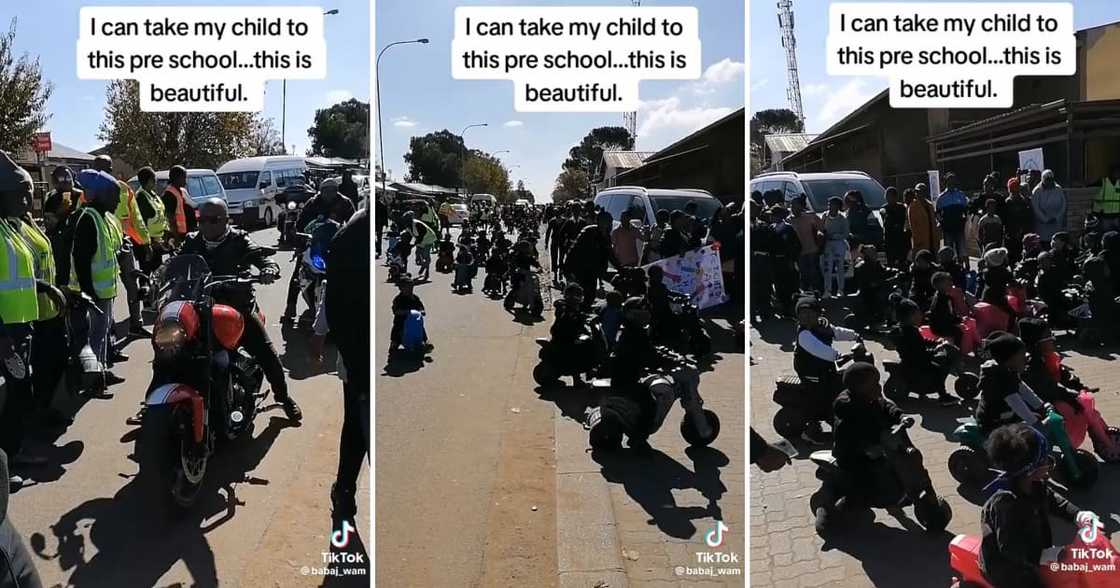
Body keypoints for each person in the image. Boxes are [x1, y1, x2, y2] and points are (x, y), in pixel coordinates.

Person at [180, 199, 302, 422]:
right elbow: (175, 264)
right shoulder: (191, 241)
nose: (206, 225)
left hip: (236, 308)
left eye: (213, 220)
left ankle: (284, 398)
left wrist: (269, 269)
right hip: (200, 309)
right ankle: (154, 400)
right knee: (169, 347)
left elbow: (260, 258)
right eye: (202, 220)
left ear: (227, 220)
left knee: (267, 355)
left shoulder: (239, 239)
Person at [0, 153, 60, 484]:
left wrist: (47, 290)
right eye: (21, 192)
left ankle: (12, 454)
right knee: (11, 398)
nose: (28, 198)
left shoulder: (9, 227)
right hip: (5, 333)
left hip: (20, 326)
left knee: (18, 396)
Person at [979, 423, 1087, 588]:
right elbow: (1010, 548)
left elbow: (1052, 499)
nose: (1049, 465)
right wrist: (1041, 555)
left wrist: (1077, 515)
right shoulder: (1006, 504)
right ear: (1031, 470)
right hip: (1008, 568)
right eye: (1045, 460)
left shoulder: (1034, 483)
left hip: (1033, 548)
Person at [816, 362, 908, 533]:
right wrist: (866, 447)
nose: (879, 387)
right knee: (862, 488)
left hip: (875, 447)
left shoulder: (870, 398)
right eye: (874, 384)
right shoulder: (848, 409)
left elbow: (885, 405)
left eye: (878, 382)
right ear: (859, 389)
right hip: (852, 456)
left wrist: (900, 415)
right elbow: (848, 437)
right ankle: (828, 515)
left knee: (896, 466)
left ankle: (894, 496)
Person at [325, 207, 369, 522]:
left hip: (355, 353)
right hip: (358, 353)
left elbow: (333, 303)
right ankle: (344, 491)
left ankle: (344, 491)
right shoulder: (348, 236)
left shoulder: (346, 236)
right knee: (358, 426)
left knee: (355, 425)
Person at [70, 169, 124, 389]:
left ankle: (101, 371)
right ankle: (92, 382)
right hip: (94, 293)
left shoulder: (102, 218)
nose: (118, 200)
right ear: (101, 195)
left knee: (101, 336)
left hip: (104, 292)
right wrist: (87, 292)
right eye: (114, 195)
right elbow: (81, 259)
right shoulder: (89, 219)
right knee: (94, 338)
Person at [93, 155, 149, 338]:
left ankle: (136, 324)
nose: (103, 173)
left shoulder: (124, 189)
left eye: (106, 169)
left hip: (124, 244)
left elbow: (136, 218)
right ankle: (110, 332)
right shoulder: (89, 192)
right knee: (107, 291)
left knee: (132, 285)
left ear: (111, 170)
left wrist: (145, 242)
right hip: (102, 248)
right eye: (98, 169)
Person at [794, 296, 860, 444]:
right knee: (823, 396)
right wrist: (838, 356)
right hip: (810, 371)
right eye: (802, 314)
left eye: (810, 313)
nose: (806, 317)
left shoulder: (822, 326)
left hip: (824, 367)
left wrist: (854, 336)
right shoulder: (804, 334)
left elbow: (836, 332)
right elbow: (818, 349)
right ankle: (811, 431)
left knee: (838, 384)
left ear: (818, 314)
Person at [975, 333, 1046, 433]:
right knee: (1019, 443)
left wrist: (1041, 406)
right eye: (1021, 355)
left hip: (1007, 416)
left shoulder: (1009, 371)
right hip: (994, 422)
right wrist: (1033, 421)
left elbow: (1023, 389)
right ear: (1009, 359)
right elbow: (1014, 401)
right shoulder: (999, 378)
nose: (1025, 358)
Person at [892, 298, 957, 405]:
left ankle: (924, 390)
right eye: (918, 314)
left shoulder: (906, 329)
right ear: (910, 316)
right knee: (938, 370)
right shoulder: (910, 332)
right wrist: (935, 349)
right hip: (916, 362)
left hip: (911, 360)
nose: (921, 316)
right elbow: (920, 352)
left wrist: (935, 342)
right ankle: (943, 396)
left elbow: (922, 342)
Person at [562, 211, 613, 310]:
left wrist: (621, 269)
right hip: (580, 268)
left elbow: (609, 254)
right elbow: (573, 250)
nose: (607, 225)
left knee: (590, 296)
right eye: (606, 222)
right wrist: (567, 268)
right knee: (577, 295)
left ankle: (582, 313)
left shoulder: (606, 235)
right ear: (599, 221)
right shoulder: (588, 231)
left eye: (609, 223)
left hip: (593, 271)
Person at [133, 167, 167, 272]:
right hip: (147, 245)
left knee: (158, 273)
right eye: (154, 179)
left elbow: (161, 216)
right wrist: (148, 245)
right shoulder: (141, 198)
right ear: (148, 180)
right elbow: (140, 224)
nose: (156, 181)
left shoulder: (153, 195)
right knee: (147, 274)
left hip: (157, 242)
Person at [791, 196, 823, 292]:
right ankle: (805, 292)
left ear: (801, 207)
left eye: (796, 206)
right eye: (792, 206)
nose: (794, 208)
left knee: (814, 272)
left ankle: (817, 291)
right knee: (803, 273)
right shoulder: (788, 220)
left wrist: (820, 237)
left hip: (812, 249)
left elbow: (822, 229)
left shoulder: (810, 217)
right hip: (799, 252)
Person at [389, 275, 430, 352]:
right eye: (408, 287)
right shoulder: (398, 299)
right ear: (401, 288)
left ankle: (426, 341)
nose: (410, 289)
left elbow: (420, 305)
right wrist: (402, 312)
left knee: (421, 327)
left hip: (414, 320)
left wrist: (422, 311)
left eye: (412, 287)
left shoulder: (414, 297)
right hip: (402, 319)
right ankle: (394, 342)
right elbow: (395, 310)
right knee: (397, 327)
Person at [820, 197, 849, 299]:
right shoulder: (824, 216)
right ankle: (827, 290)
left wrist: (834, 236)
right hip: (827, 245)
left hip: (839, 244)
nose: (830, 207)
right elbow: (821, 228)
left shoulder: (842, 218)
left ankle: (840, 289)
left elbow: (846, 233)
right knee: (827, 268)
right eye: (829, 204)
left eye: (833, 204)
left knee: (839, 267)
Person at [936, 173, 969, 263]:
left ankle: (962, 267)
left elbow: (966, 211)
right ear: (946, 183)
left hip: (959, 228)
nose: (951, 184)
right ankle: (950, 268)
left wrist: (964, 220)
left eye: (953, 182)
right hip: (947, 229)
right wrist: (942, 223)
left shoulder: (961, 195)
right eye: (949, 182)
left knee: (961, 250)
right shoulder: (941, 198)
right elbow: (937, 213)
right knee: (949, 251)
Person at [161, 165, 195, 245]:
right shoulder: (169, 194)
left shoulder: (180, 191)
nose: (185, 181)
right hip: (177, 235)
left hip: (183, 233)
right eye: (184, 178)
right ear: (176, 178)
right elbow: (170, 218)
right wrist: (177, 238)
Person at [1031, 170, 1066, 242]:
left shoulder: (1058, 189)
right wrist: (1045, 219)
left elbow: (1063, 205)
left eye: (1051, 179)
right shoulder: (1037, 191)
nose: (1049, 182)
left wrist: (1057, 217)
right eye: (1047, 180)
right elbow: (1036, 208)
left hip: (1056, 223)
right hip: (1043, 226)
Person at [908, 184, 940, 259]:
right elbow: (913, 226)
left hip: (932, 239)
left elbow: (933, 222)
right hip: (920, 241)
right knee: (922, 260)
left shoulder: (930, 205)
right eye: (918, 192)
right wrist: (917, 240)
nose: (920, 194)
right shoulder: (913, 206)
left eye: (922, 192)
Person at [883, 187, 909, 269]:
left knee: (902, 262)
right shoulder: (884, 208)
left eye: (890, 196)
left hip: (901, 239)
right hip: (889, 240)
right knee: (890, 262)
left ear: (895, 197)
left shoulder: (902, 208)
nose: (888, 198)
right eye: (887, 196)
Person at [1092, 165, 1120, 233]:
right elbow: (1090, 186)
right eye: (1116, 172)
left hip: (1117, 216)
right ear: (1111, 172)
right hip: (1104, 216)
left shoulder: (1119, 183)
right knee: (1105, 235)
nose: (1117, 174)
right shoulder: (1103, 181)